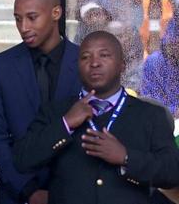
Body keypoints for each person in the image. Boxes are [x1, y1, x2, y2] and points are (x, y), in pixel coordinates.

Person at [13, 31, 179, 204]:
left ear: (122, 65)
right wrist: (65, 124)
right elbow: (22, 160)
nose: (94, 63)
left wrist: (126, 157)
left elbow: (173, 173)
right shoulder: (55, 111)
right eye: (85, 57)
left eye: (104, 55)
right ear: (77, 66)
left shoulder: (151, 115)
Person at [0, 0, 82, 203]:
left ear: (56, 12)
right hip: (16, 194)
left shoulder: (86, 62)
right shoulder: (0, 67)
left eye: (32, 17)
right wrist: (28, 191)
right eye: (18, 19)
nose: (23, 27)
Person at [141, 14, 179, 117]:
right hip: (164, 120)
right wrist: (173, 111)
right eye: (175, 42)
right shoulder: (154, 62)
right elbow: (150, 102)